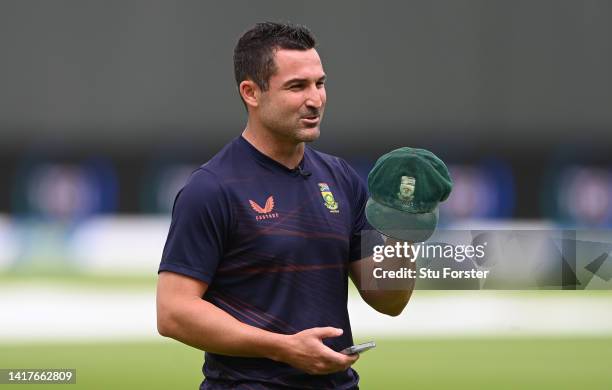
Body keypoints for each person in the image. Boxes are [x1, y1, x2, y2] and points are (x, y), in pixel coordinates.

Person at [156, 22, 414, 389]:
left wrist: (405, 228)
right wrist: (283, 348)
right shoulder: (212, 188)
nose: (315, 99)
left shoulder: (340, 177)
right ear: (251, 92)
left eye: (319, 83)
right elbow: (173, 313)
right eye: (297, 86)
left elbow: (389, 299)